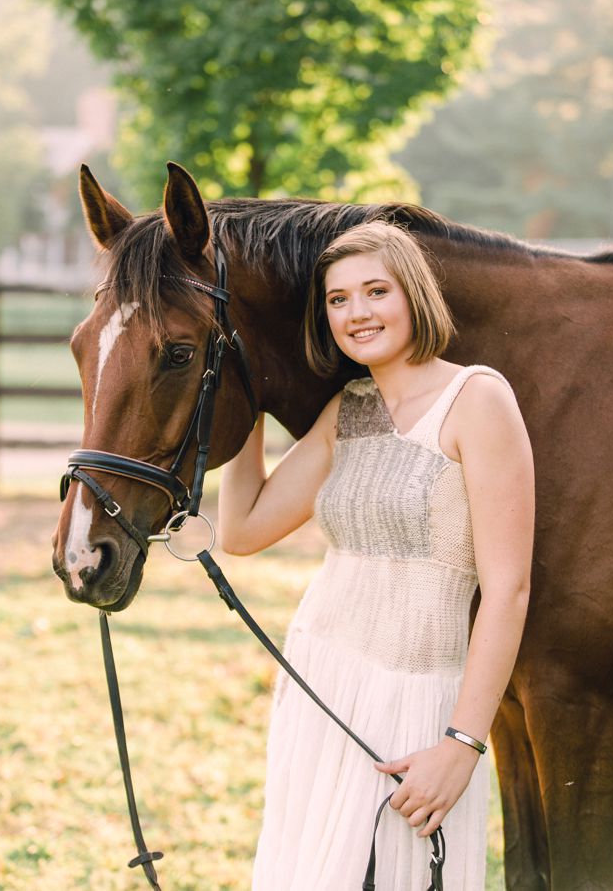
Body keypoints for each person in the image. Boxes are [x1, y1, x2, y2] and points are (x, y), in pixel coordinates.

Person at [218, 221, 533, 889]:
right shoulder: (349, 408)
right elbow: (241, 531)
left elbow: (509, 592)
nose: (355, 313)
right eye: (337, 300)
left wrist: (462, 745)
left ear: (413, 294)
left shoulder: (477, 398)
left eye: (374, 291)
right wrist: (244, 401)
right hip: (320, 680)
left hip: (418, 700)